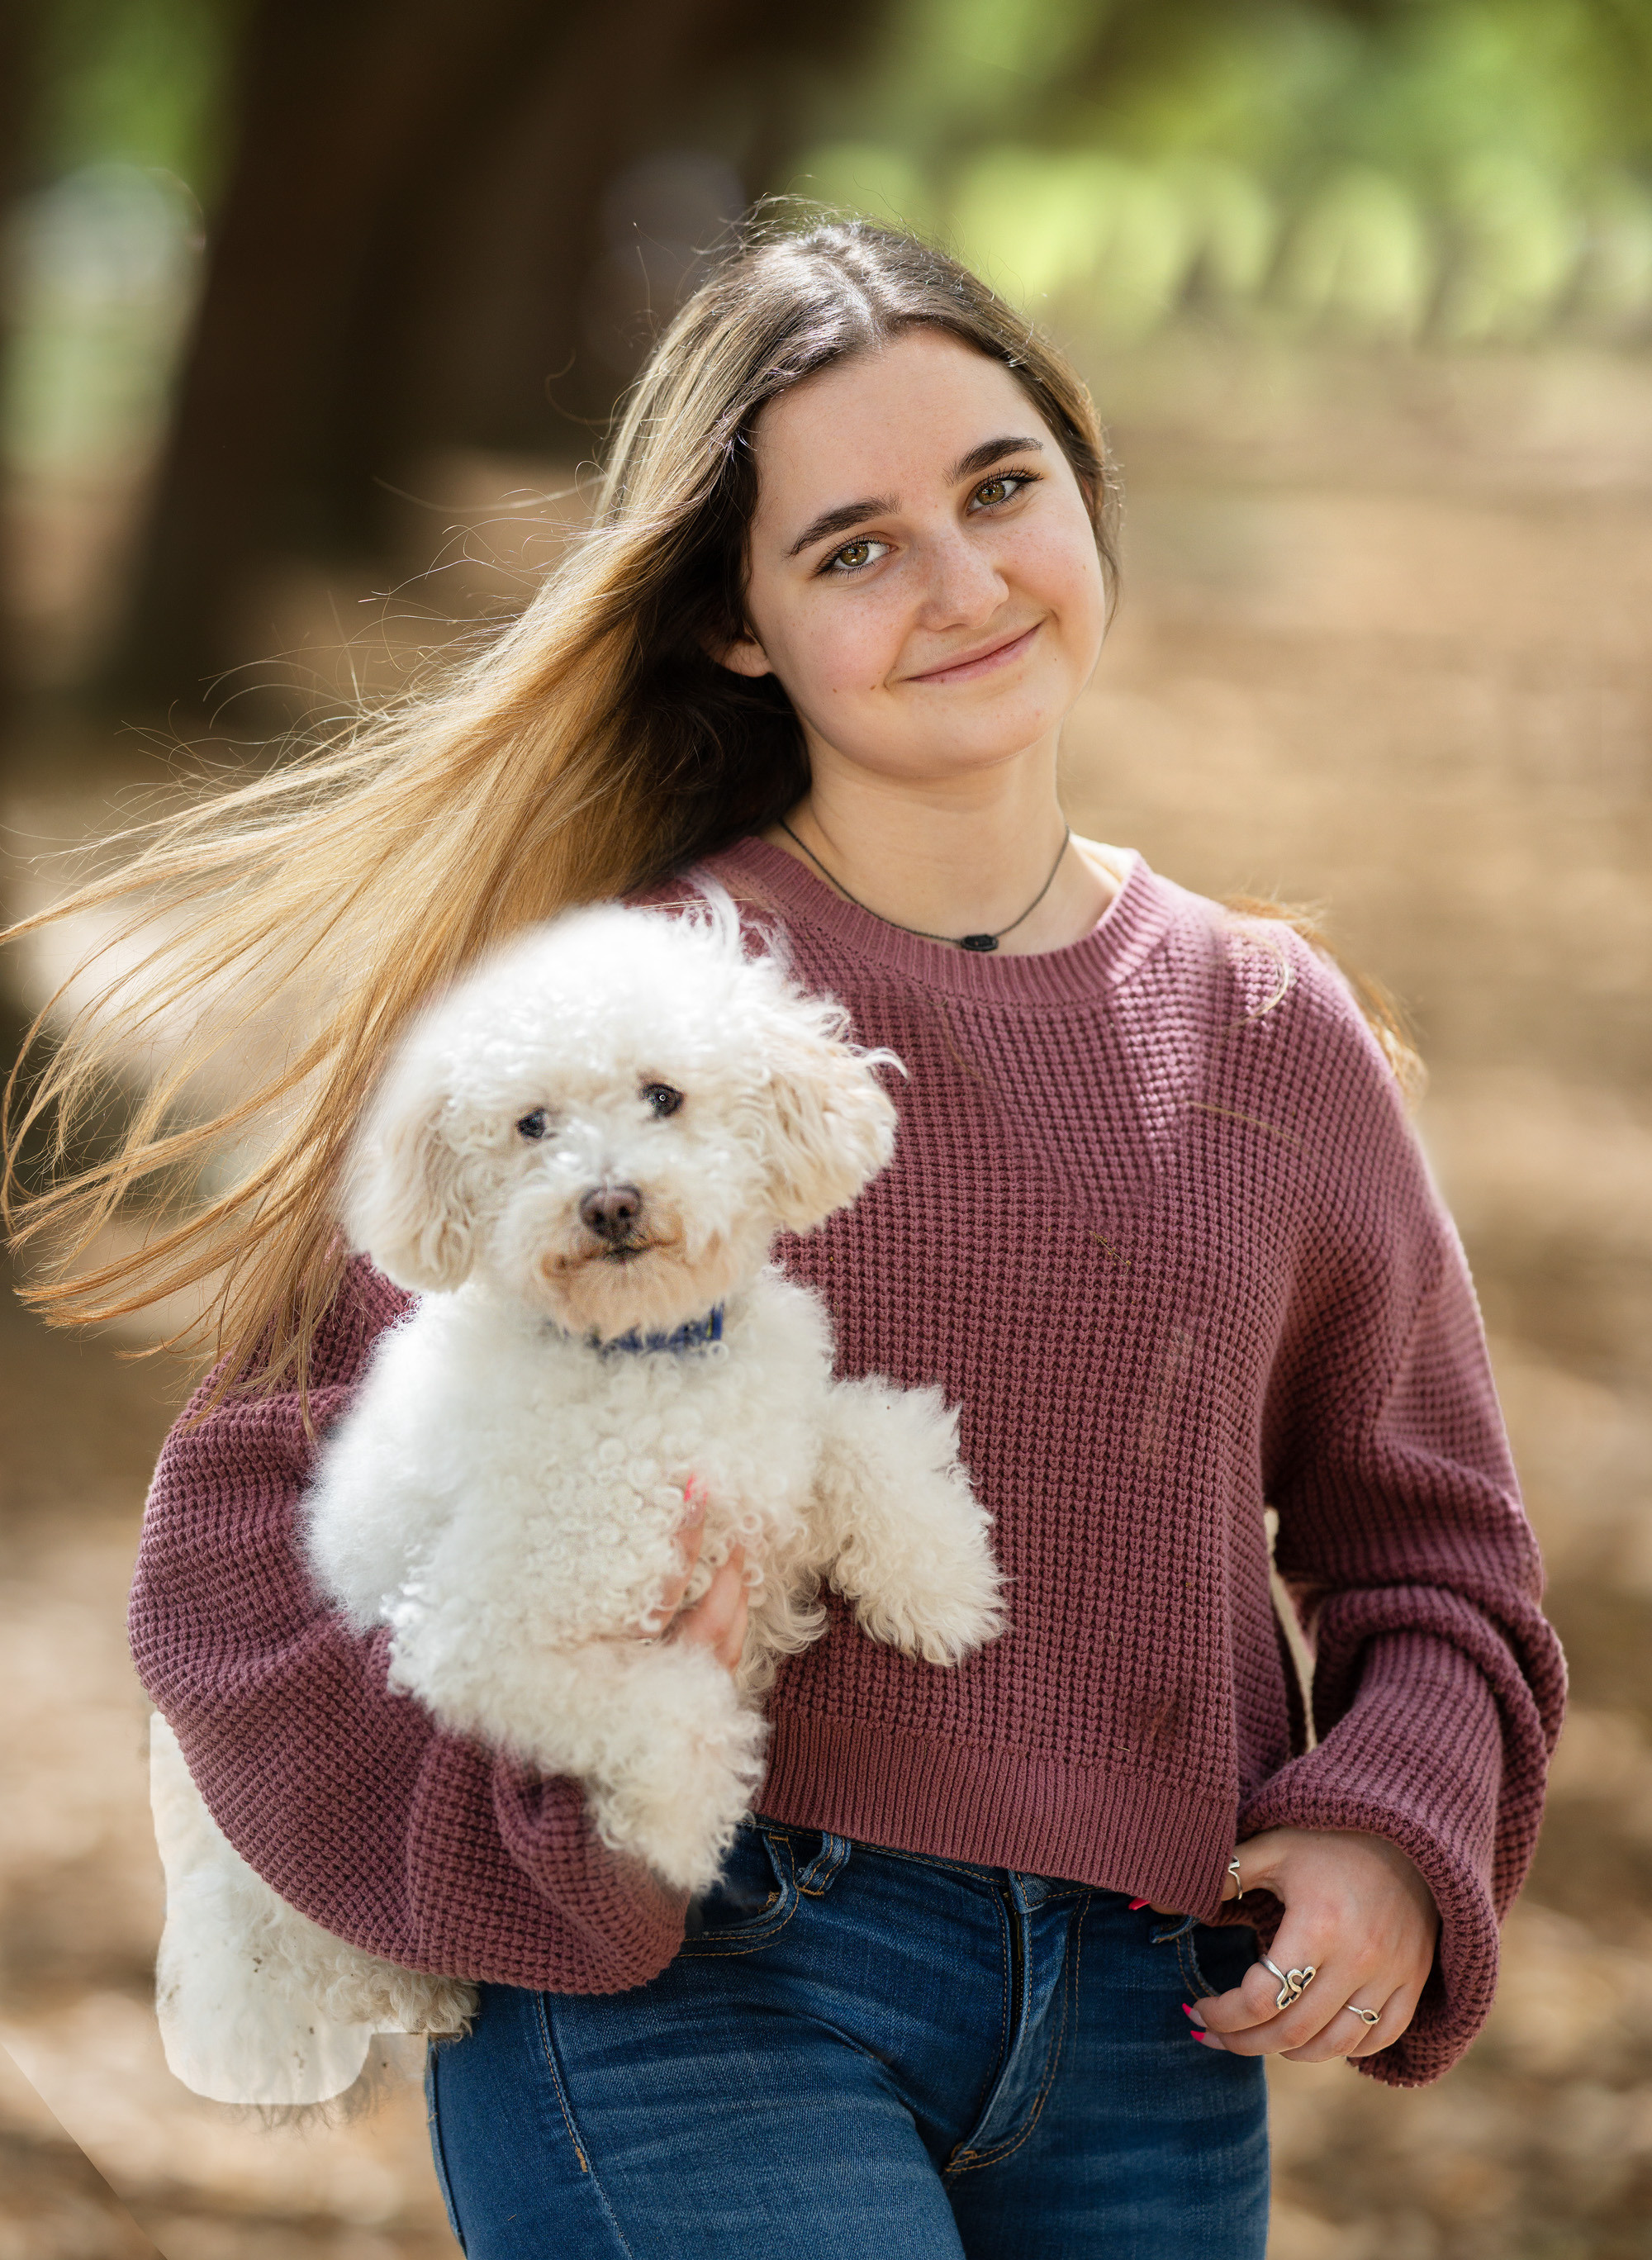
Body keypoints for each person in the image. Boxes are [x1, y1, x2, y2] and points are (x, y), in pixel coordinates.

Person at [7, 220, 1564, 2259]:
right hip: (694, 1989)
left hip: (1149, 2013)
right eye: (852, 547)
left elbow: (1434, 1548)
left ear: (1084, 494)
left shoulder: (1267, 1028)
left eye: (1000, 490)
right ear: (739, 624)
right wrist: (546, 1843)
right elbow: (240, 1533)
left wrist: (1389, 1826)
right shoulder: (611, 1035)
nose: (962, 581)